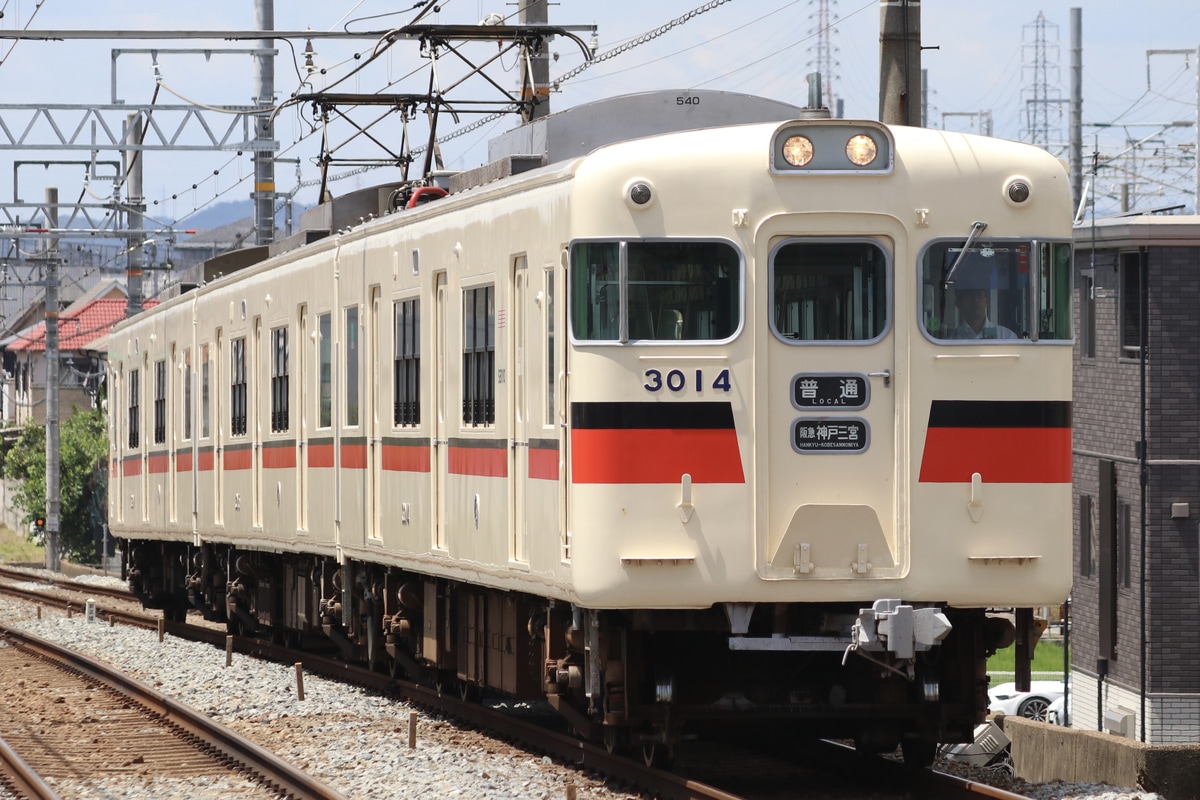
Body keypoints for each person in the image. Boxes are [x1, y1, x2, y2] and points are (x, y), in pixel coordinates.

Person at [948, 288, 1018, 339]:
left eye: (979, 296)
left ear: (987, 301)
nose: (975, 300)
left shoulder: (1007, 337)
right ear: (958, 304)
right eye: (968, 297)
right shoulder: (950, 340)